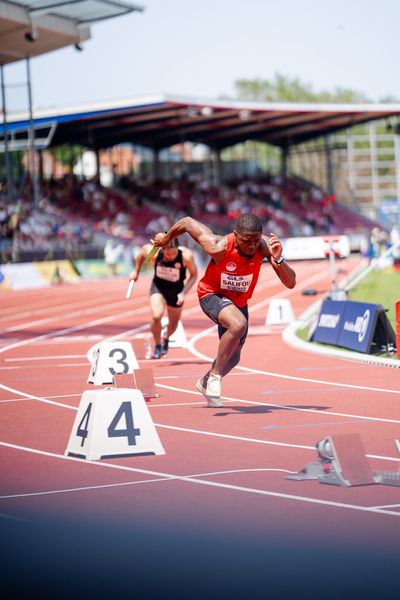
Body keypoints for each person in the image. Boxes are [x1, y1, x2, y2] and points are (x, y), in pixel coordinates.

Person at [151, 214, 296, 407]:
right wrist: (167, 237)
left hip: (238, 302)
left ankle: (205, 382)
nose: (252, 246)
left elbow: (291, 283)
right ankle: (215, 376)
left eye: (256, 240)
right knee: (238, 324)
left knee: (234, 357)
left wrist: (278, 260)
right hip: (211, 295)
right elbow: (187, 222)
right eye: (246, 241)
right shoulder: (217, 245)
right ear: (236, 236)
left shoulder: (264, 247)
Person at [129, 237, 198, 359]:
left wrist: (183, 293)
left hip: (176, 291)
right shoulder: (155, 253)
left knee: (173, 323)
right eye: (167, 253)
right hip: (158, 287)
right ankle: (157, 345)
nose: (171, 256)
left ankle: (165, 337)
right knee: (156, 316)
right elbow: (142, 254)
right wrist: (136, 271)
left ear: (178, 249)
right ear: (162, 250)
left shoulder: (186, 256)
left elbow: (193, 275)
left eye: (173, 253)